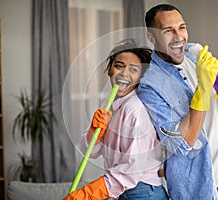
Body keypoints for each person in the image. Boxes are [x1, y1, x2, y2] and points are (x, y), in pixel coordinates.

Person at [137, 4, 218, 199]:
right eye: (168, 30)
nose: (178, 36)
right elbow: (183, 141)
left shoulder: (195, 53)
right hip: (201, 189)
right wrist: (203, 87)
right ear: (151, 37)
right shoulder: (150, 86)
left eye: (182, 27)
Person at [64, 39, 168, 200]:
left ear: (140, 77)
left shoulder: (136, 109)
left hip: (142, 192)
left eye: (133, 69)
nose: (124, 73)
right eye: (119, 66)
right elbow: (89, 152)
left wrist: (87, 194)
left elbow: (132, 169)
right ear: (110, 70)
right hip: (123, 189)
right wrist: (94, 132)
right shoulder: (112, 105)